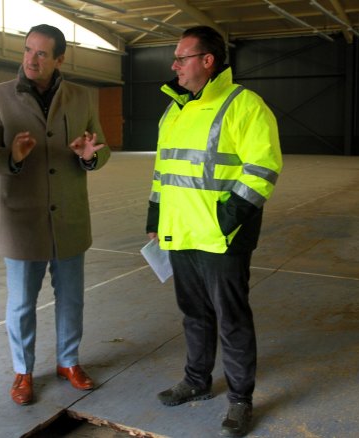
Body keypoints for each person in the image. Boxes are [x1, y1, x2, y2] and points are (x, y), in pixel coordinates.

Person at [145, 26, 282, 437]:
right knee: (194, 315)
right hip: (181, 234)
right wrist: (156, 220)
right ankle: (196, 380)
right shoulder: (174, 109)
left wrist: (226, 219)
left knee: (232, 319)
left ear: (207, 61)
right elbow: (162, 173)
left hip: (222, 238)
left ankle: (240, 400)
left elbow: (263, 168)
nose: (174, 66)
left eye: (181, 58)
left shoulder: (245, 105)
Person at [0, 24, 110, 406]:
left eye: (42, 54)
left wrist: (90, 156)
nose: (31, 59)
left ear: (60, 59)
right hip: (22, 221)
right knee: (21, 303)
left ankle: (69, 362)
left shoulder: (81, 97)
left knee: (72, 299)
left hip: (69, 218)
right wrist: (12, 157)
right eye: (28, 50)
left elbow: (101, 147)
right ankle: (23, 370)